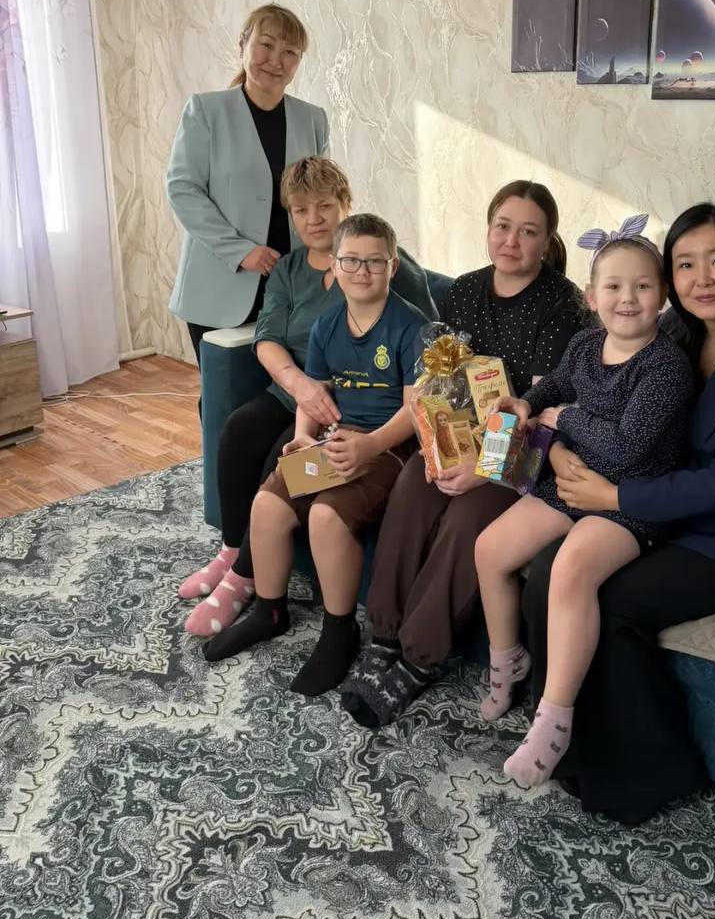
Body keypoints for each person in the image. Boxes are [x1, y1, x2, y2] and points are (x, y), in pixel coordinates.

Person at [521, 199, 715, 822]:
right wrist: (558, 452)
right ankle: (567, 739)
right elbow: (595, 410)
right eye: (686, 264)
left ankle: (646, 774)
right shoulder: (676, 336)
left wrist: (615, 498)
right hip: (665, 513)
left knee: (612, 599)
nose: (701, 279)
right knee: (550, 570)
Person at [340, 180, 589, 728]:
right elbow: (443, 384)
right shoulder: (465, 292)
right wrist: (438, 449)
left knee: (466, 520)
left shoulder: (562, 306)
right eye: (503, 226)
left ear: (547, 240)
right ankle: (384, 635)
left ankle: (418, 656)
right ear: (488, 228)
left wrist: (483, 468)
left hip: (524, 457)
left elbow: (543, 415)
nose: (511, 241)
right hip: (460, 439)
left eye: (528, 232)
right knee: (412, 485)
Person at [474, 216, 694, 787]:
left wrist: (565, 419)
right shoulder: (585, 343)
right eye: (613, 286)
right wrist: (527, 404)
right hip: (569, 483)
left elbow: (626, 447)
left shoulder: (666, 366)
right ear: (592, 296)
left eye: (642, 286)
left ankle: (554, 720)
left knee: (570, 569)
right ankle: (507, 660)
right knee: (490, 549)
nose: (628, 298)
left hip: (629, 500)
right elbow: (554, 386)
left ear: (663, 296)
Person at [177, 156, 438, 636]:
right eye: (301, 210)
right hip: (299, 390)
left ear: (344, 204)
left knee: (280, 461)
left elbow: (427, 342)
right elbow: (267, 337)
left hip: (356, 408)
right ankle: (233, 555)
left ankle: (246, 577)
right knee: (239, 432)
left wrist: (328, 421)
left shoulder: (378, 265)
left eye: (325, 206)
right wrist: (302, 387)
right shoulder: (290, 270)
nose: (314, 219)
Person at [202, 214, 428, 696]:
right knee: (268, 504)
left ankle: (338, 631)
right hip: (334, 439)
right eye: (351, 260)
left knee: (326, 516)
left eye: (374, 262)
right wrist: (305, 436)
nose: (362, 271)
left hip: (388, 448)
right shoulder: (328, 325)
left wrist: (370, 446)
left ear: (392, 266)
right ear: (335, 264)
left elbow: (416, 410)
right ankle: (270, 610)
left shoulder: (411, 326)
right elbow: (315, 392)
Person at [166, 3, 329, 366]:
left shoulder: (313, 119)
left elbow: (323, 196)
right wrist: (241, 251)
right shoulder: (206, 111)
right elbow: (182, 188)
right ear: (243, 43)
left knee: (285, 388)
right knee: (223, 389)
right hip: (221, 284)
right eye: (266, 45)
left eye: (290, 52)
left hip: (293, 286)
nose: (276, 60)